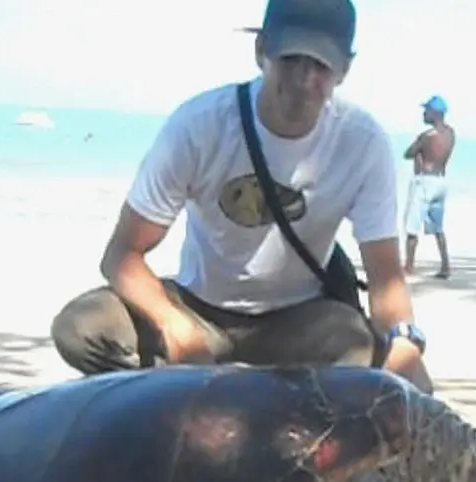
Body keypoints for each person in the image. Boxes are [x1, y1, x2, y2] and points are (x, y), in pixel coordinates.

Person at [50, 0, 433, 394]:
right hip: (199, 310)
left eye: (321, 66)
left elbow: (386, 278)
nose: (304, 81)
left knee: (365, 356)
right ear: (261, 50)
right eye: (291, 59)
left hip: (299, 321)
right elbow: (120, 256)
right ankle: (163, 413)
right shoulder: (199, 126)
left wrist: (405, 344)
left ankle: (269, 424)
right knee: (80, 329)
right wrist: (172, 323)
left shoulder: (362, 143)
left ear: (344, 70)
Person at [402, 95, 455, 279]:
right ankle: (445, 265)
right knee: (438, 227)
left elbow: (407, 153)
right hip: (441, 181)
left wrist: (418, 152)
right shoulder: (450, 134)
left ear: (435, 113)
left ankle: (409, 266)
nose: (424, 114)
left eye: (427, 111)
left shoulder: (426, 136)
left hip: (424, 182)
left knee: (412, 226)